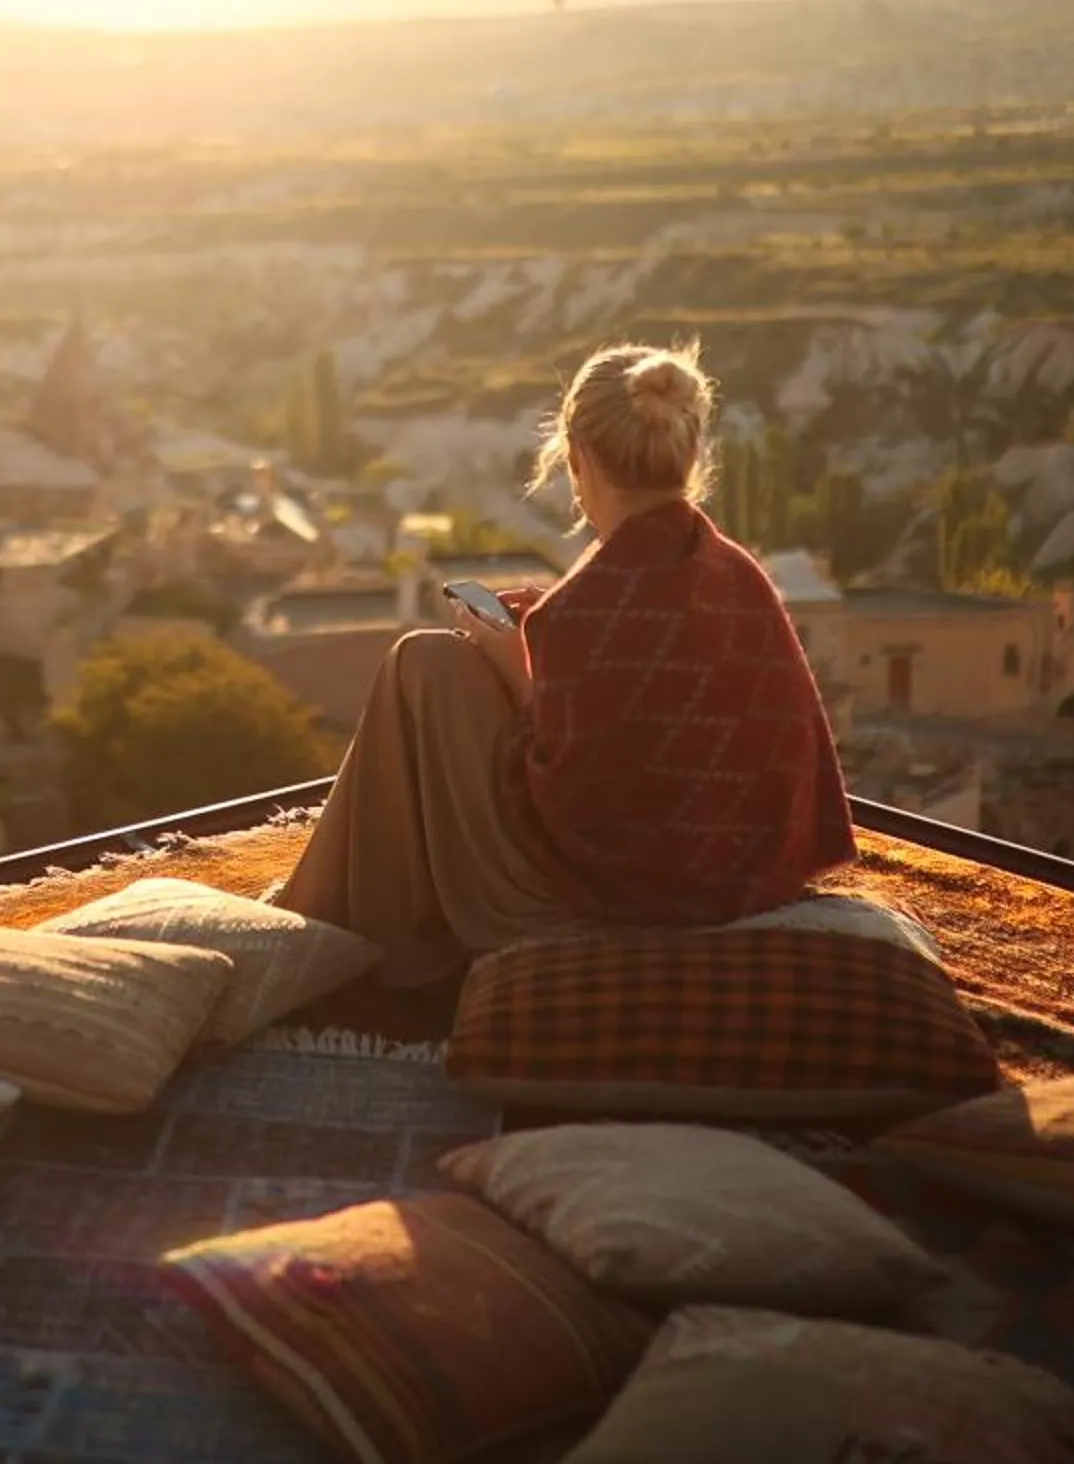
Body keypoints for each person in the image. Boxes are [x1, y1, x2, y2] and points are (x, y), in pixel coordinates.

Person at [271, 340, 854, 986]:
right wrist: (557, 631)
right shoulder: (736, 572)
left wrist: (516, 663)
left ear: (576, 458)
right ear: (689, 455)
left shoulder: (591, 605)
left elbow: (569, 801)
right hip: (749, 880)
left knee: (422, 665)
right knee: (436, 664)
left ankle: (328, 919)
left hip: (607, 911)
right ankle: (337, 905)